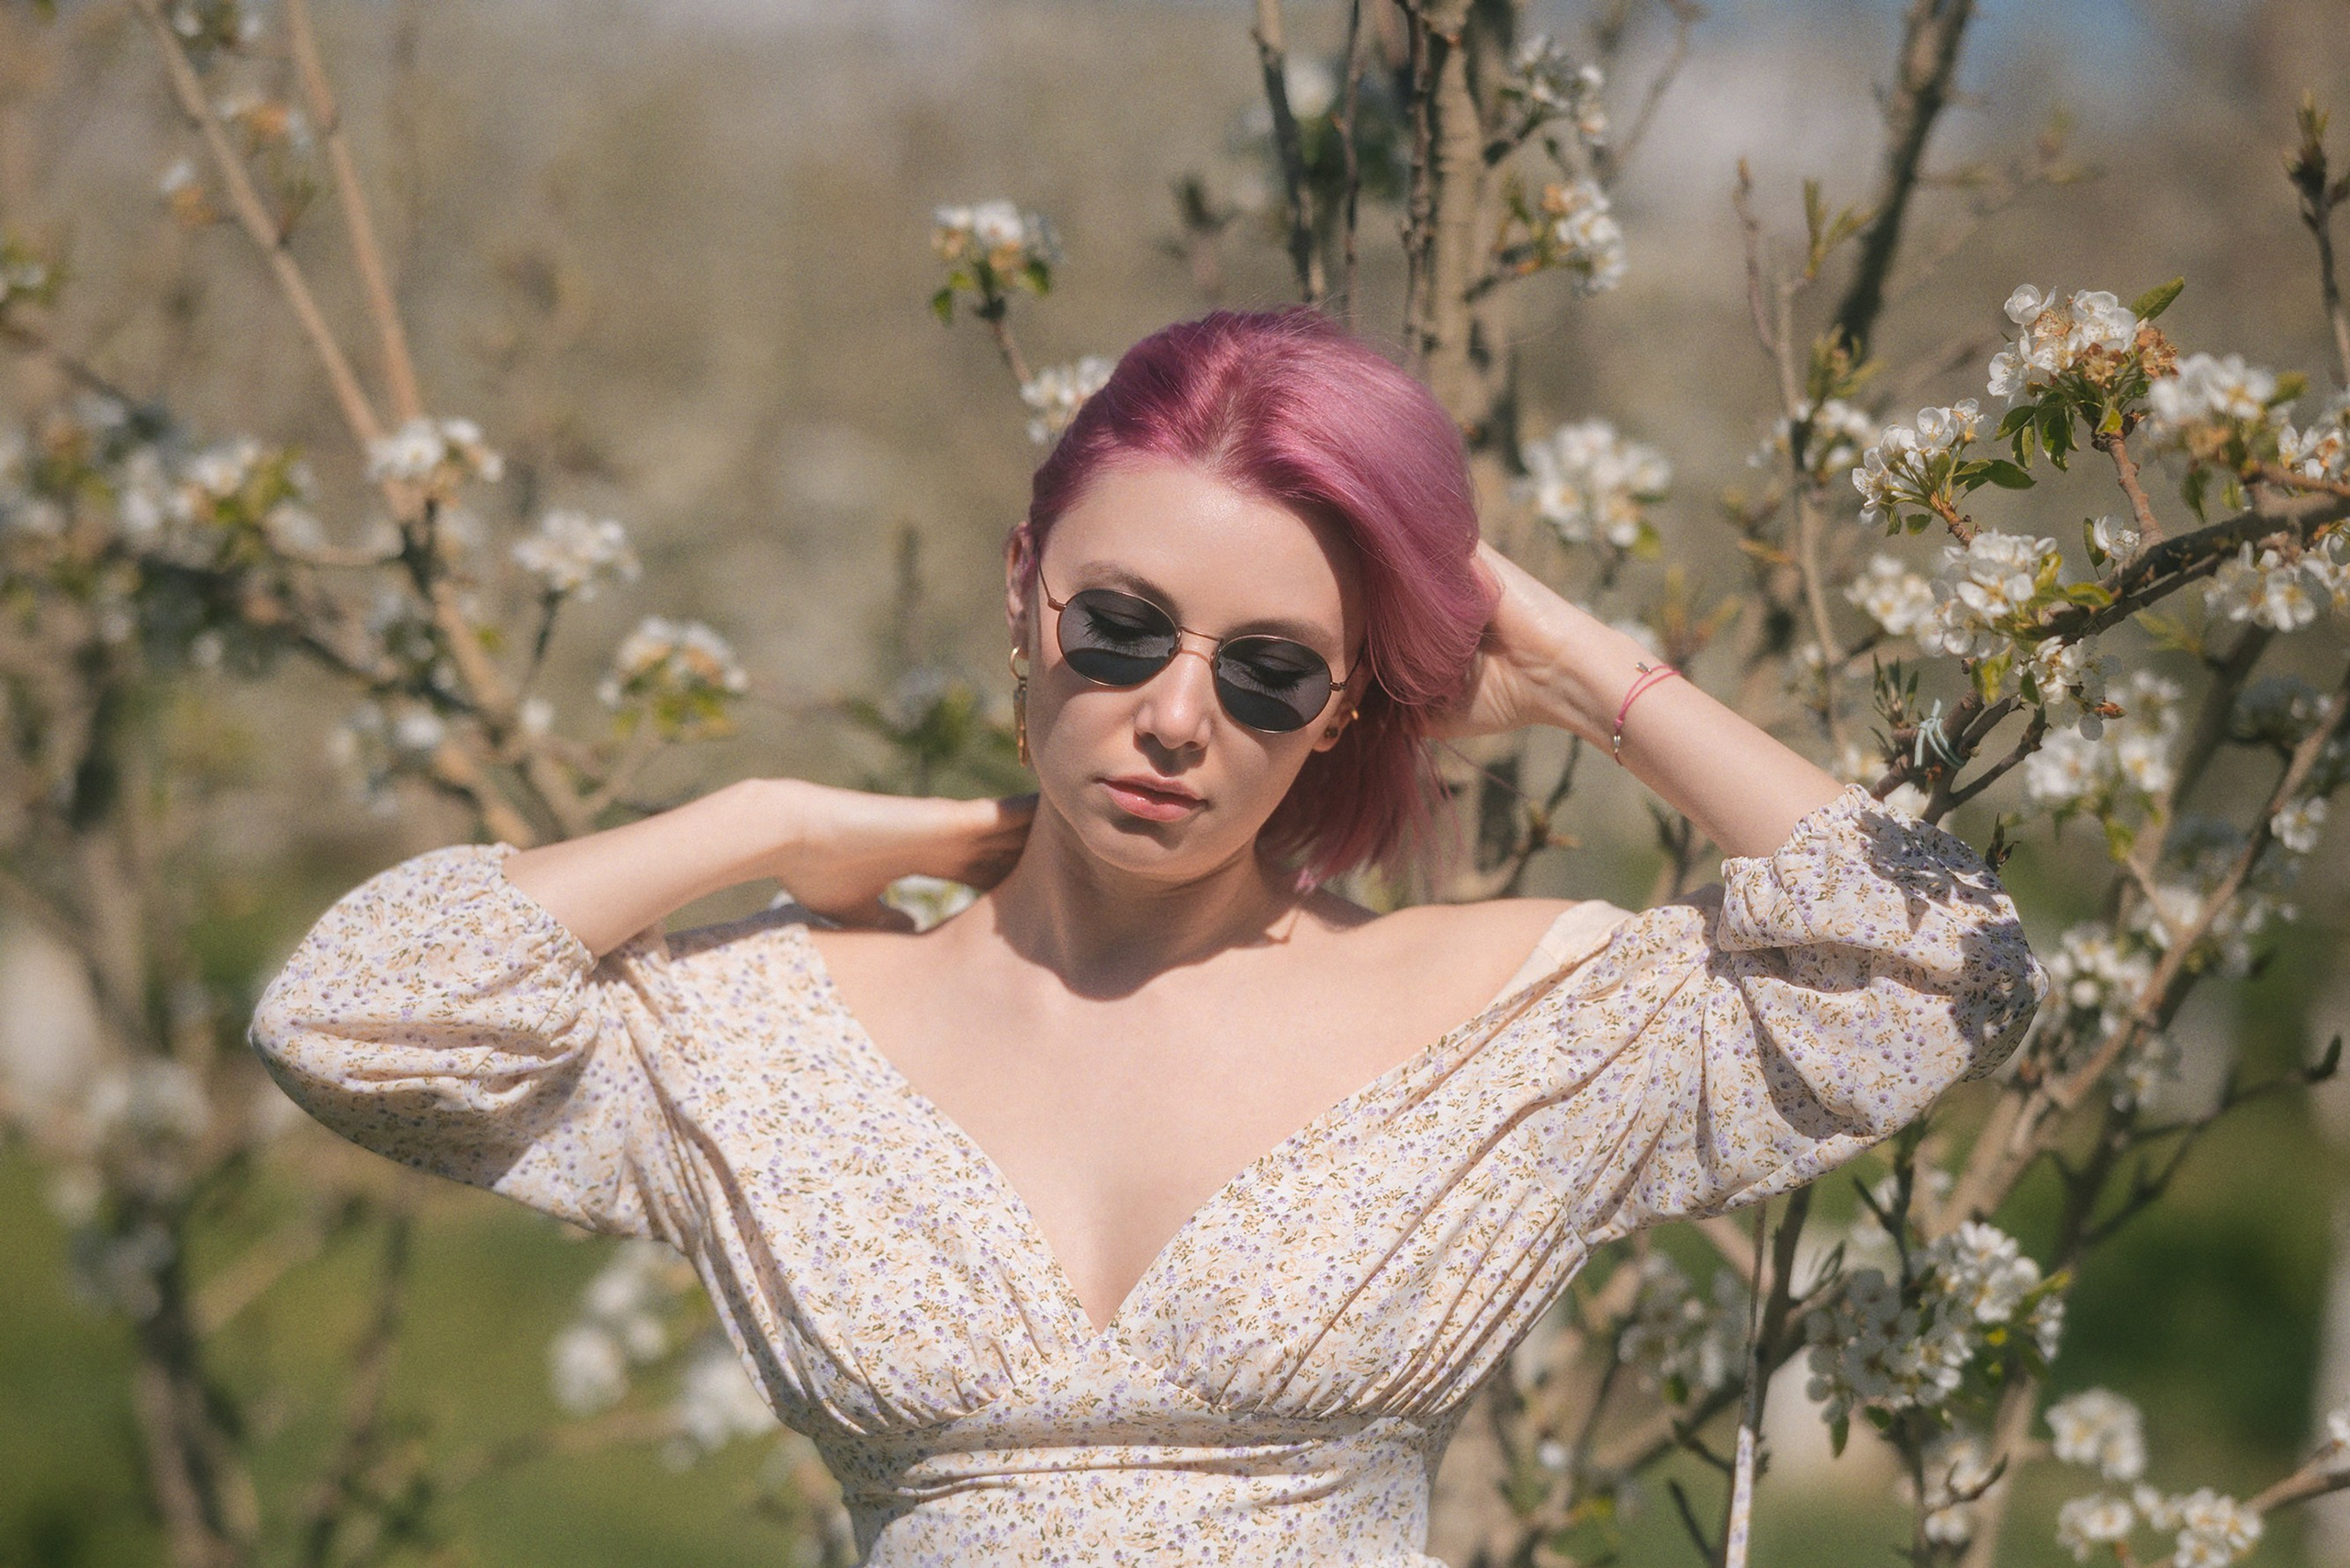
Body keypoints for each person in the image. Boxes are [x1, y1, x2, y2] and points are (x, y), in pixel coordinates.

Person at [251, 308, 2045, 1564]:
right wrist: (768, 823)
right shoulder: (773, 1030)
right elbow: (349, 1013)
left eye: (1268, 672)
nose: (1175, 716)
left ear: (1342, 709)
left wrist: (1582, 665)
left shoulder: (1498, 1011)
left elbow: (1946, 965)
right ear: (1022, 588)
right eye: (1119, 628)